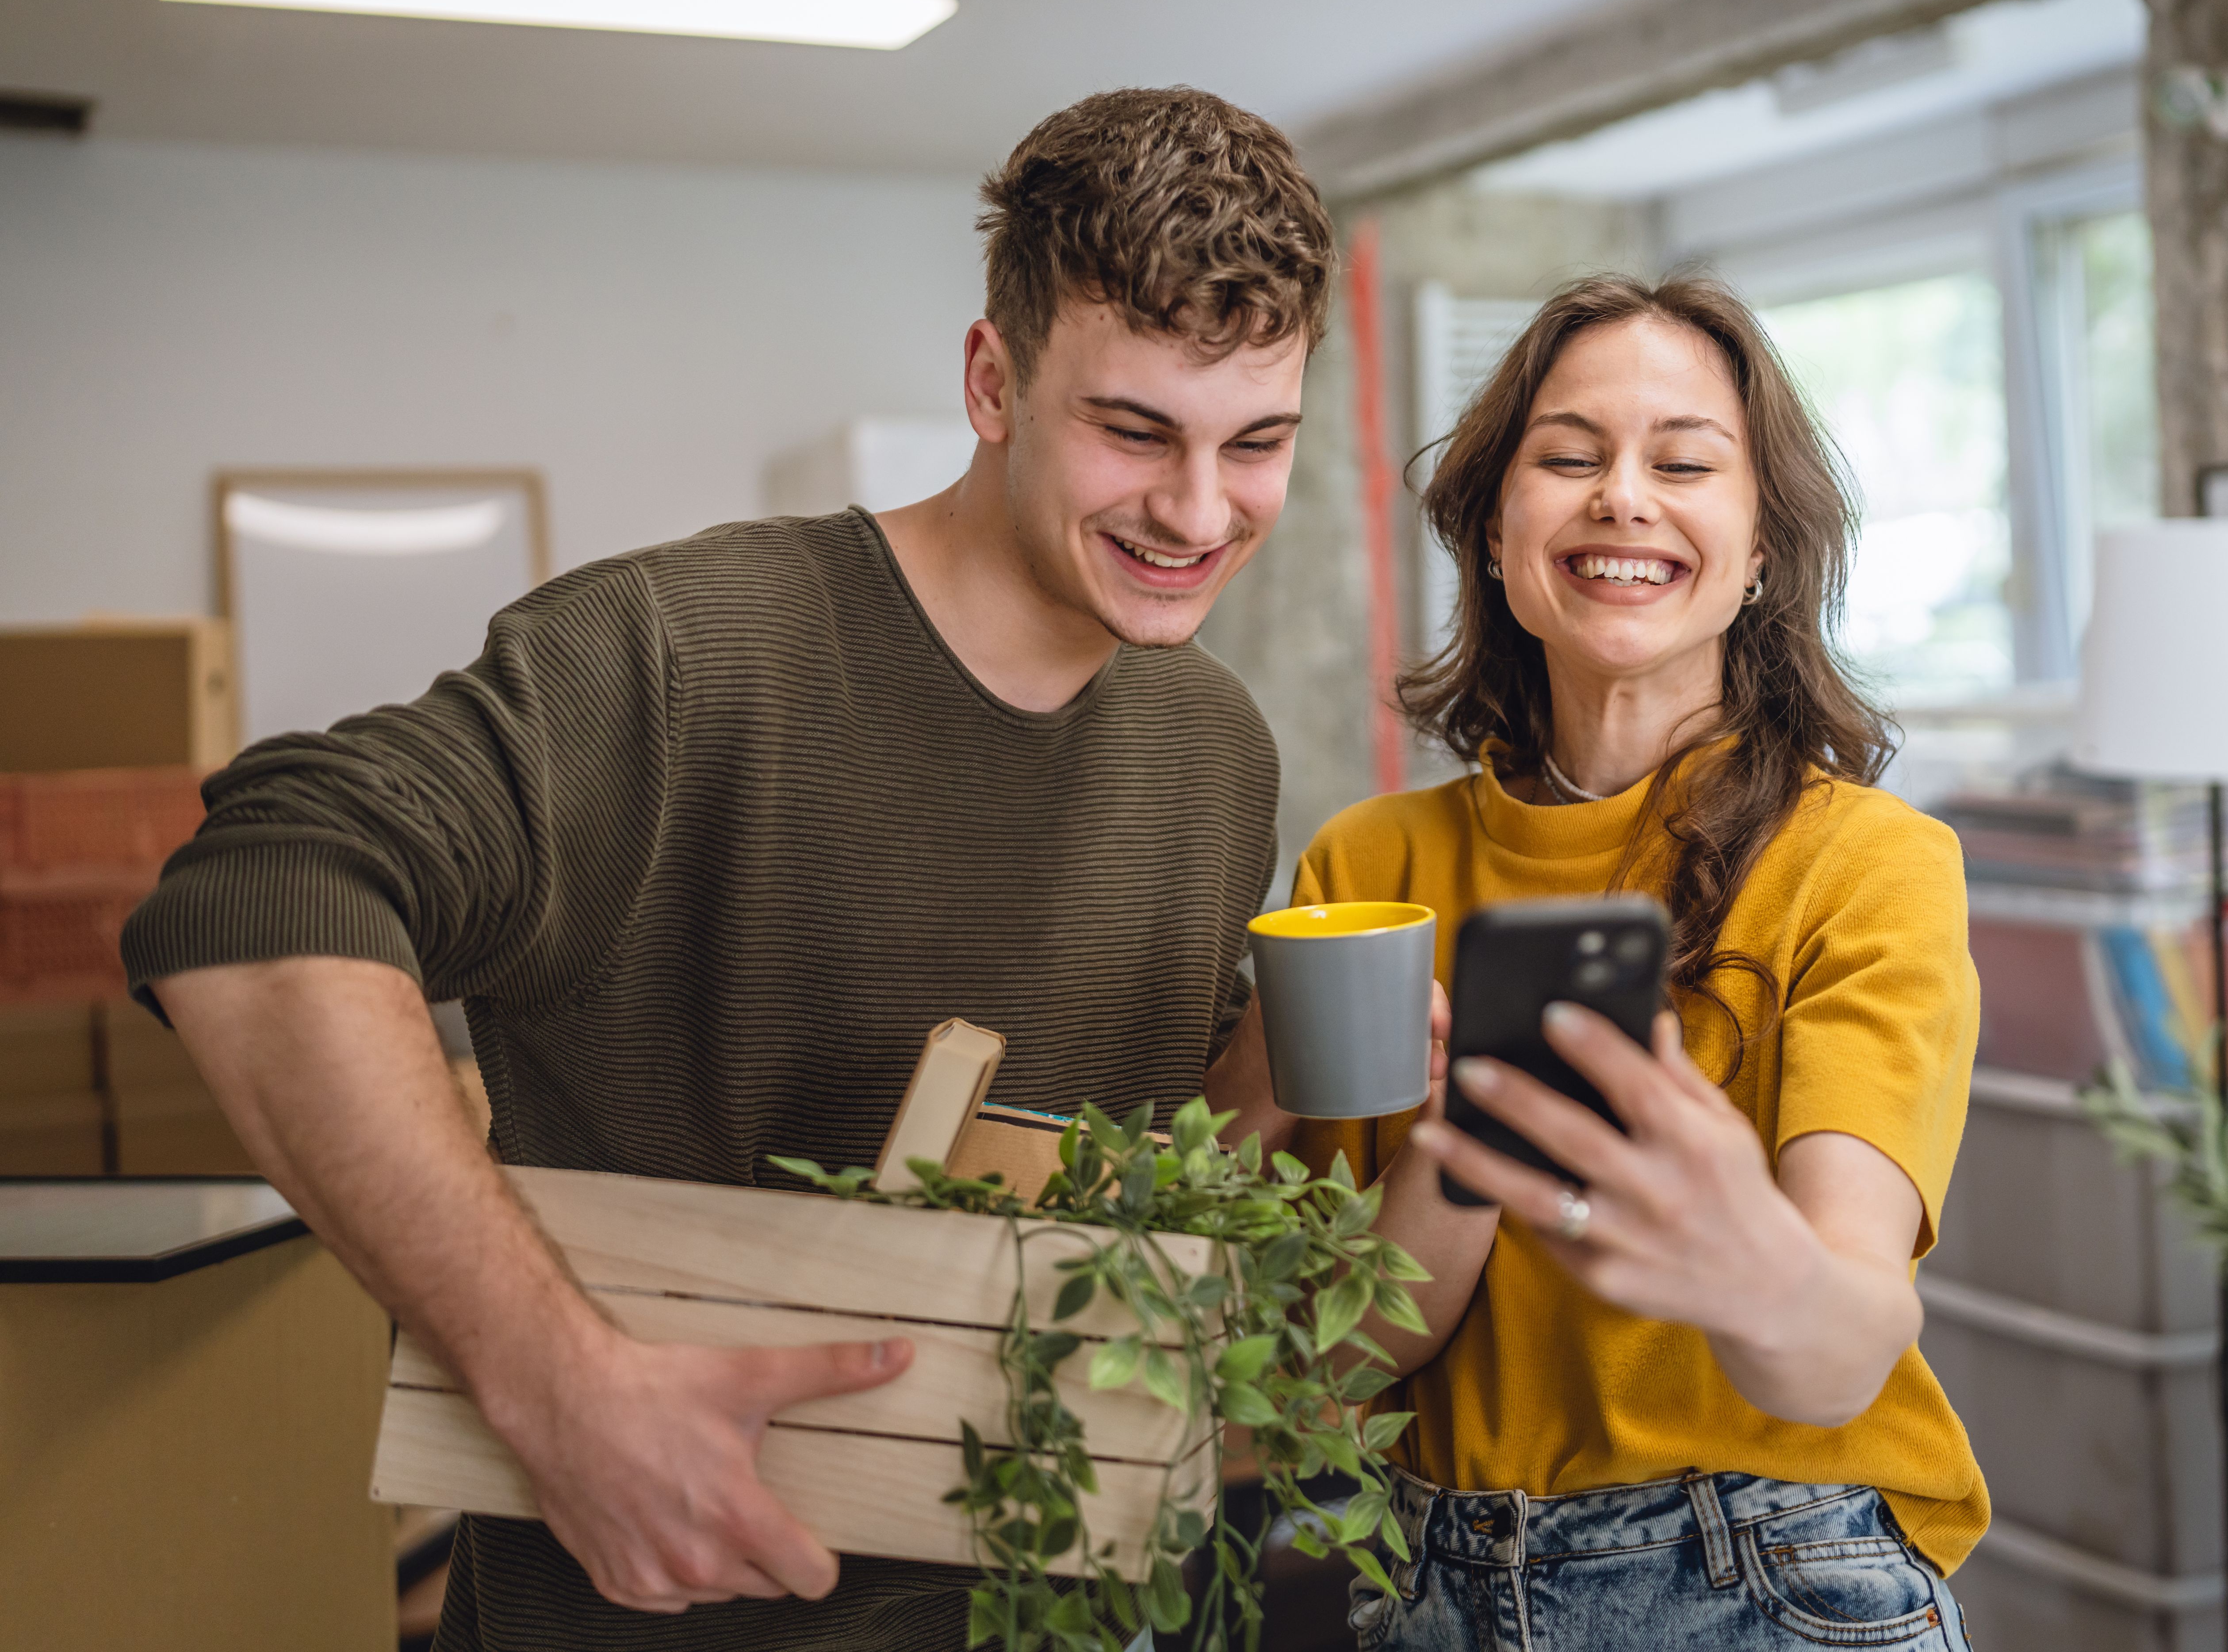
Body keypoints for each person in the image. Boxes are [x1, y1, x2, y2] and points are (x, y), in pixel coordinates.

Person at [124, 86, 1333, 1652]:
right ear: (993, 380)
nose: (1195, 510)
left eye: (1258, 444)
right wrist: (555, 1387)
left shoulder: (1214, 744)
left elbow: (1107, 1229)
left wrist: (1293, 1059)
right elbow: (258, 896)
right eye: (1133, 430)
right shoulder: (683, 658)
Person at [1210, 273, 1985, 1650]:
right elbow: (1324, 1368)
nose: (1624, 496)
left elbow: (1845, 1341)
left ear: (1757, 552)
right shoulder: (1363, 876)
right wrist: (1464, 1148)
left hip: (1767, 1576)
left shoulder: (1866, 867)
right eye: (1569, 458)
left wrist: (1736, 1247)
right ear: (1497, 533)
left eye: (1684, 463)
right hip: (1425, 1585)